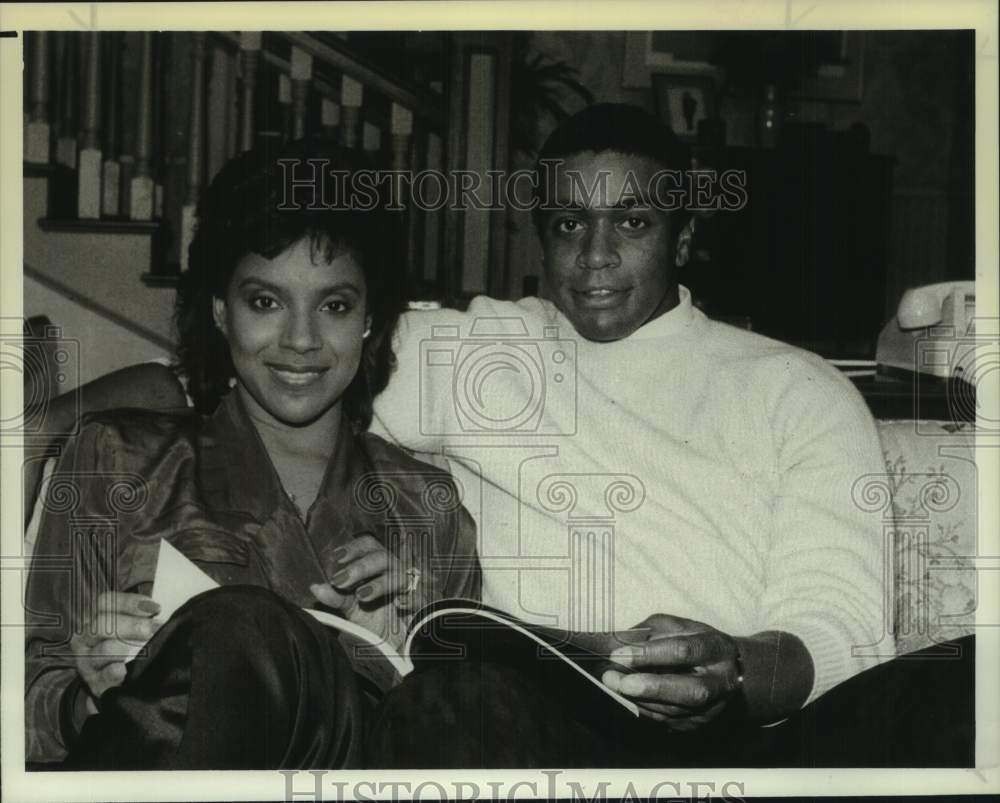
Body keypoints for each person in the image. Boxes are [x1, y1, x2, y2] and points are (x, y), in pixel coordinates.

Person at [363, 104, 974, 767]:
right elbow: (302, 346)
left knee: (970, 677)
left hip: (758, 745)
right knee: (449, 699)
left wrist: (732, 669)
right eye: (570, 224)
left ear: (682, 239)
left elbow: (842, 631)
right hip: (555, 732)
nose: (596, 258)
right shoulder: (472, 355)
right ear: (541, 238)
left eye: (633, 222)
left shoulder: (799, 388)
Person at [23, 139, 480, 769]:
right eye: (265, 302)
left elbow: (460, 752)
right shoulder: (117, 459)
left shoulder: (427, 508)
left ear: (371, 317)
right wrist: (89, 695)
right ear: (219, 309)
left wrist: (399, 669)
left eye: (335, 306)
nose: (300, 340)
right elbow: (24, 717)